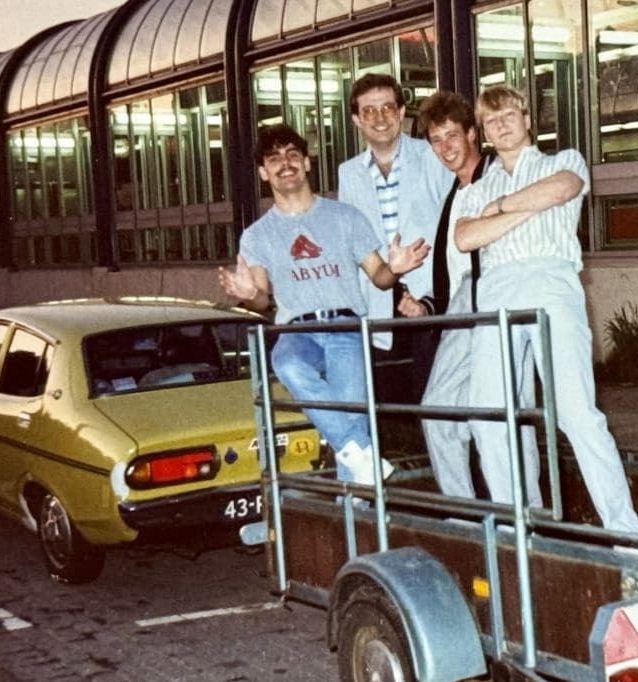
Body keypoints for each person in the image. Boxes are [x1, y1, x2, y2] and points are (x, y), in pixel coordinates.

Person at [453, 85, 638, 533]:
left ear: (527, 119)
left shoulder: (563, 160)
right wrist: (524, 210)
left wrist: (497, 212)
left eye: (509, 115)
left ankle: (625, 533)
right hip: (496, 290)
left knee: (577, 413)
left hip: (551, 283)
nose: (501, 125)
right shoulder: (474, 188)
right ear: (484, 132)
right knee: (489, 416)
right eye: (491, 121)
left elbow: (562, 189)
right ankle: (520, 528)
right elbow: (464, 238)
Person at [218, 123, 428, 484]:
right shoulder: (257, 235)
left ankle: (359, 518)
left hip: (346, 328)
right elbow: (262, 300)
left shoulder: (344, 217)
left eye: (293, 155)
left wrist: (394, 269)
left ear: (307, 164)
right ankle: (360, 449)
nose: (285, 164)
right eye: (274, 159)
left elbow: (378, 275)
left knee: (349, 425)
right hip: (299, 330)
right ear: (263, 172)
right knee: (285, 361)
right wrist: (247, 293)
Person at [415, 90, 542, 507]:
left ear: (473, 133)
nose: (446, 148)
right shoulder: (458, 191)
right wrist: (430, 306)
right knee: (461, 413)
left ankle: (520, 512)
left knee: (501, 410)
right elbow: (452, 265)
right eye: (436, 140)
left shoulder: (494, 176)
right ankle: (474, 512)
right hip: (463, 304)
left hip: (493, 293)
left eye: (453, 135)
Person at [337, 73, 453, 400]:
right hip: (378, 301)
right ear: (356, 119)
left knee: (436, 399)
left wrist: (436, 298)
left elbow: (454, 216)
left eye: (388, 107)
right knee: (389, 406)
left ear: (402, 112)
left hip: (430, 298)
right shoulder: (349, 173)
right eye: (369, 111)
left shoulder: (431, 156)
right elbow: (352, 242)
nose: (380, 118)